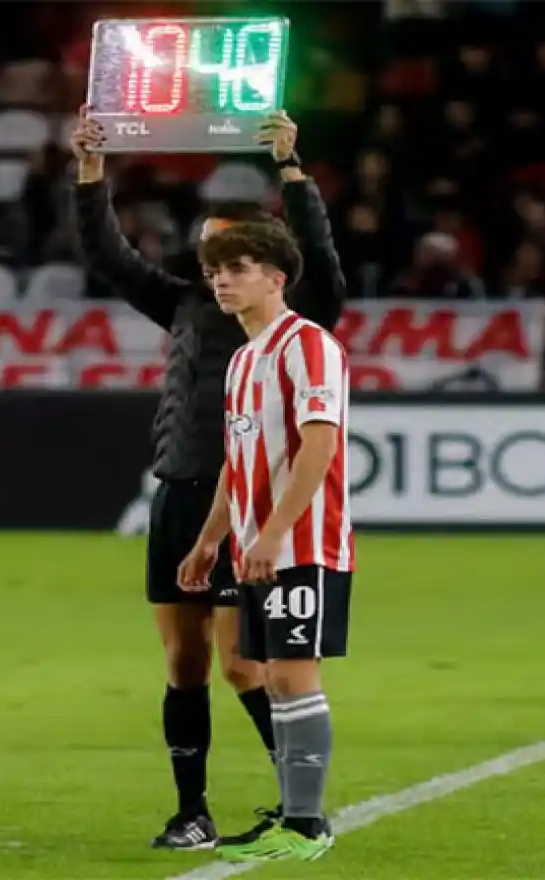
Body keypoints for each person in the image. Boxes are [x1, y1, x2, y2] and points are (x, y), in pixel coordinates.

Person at [70, 107, 346, 850]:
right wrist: (91, 171)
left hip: (248, 504)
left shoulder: (300, 320)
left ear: (268, 264)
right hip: (181, 494)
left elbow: (322, 260)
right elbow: (108, 255)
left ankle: (300, 801)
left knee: (241, 666)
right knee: (183, 662)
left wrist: (292, 170)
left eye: (230, 257)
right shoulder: (187, 303)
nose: (215, 269)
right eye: (209, 258)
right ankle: (192, 811)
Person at [178, 220, 353, 863]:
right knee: (272, 679)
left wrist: (275, 533)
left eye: (238, 269)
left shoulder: (308, 346)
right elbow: (238, 460)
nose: (222, 281)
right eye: (214, 272)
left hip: (304, 543)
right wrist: (209, 541)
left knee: (293, 674)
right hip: (254, 546)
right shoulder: (243, 359)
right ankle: (293, 815)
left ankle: (306, 826)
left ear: (277, 279)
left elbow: (319, 445)